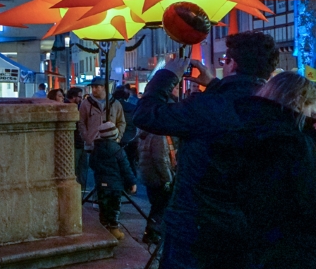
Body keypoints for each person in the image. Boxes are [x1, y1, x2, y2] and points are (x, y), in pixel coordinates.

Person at [133, 31, 279, 269]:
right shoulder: (276, 109)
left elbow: (147, 115)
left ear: (232, 63)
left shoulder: (206, 107)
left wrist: (165, 76)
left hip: (196, 225)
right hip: (250, 228)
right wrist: (215, 85)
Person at [211, 72, 316, 269]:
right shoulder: (295, 143)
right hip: (292, 247)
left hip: (245, 242)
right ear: (300, 102)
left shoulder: (242, 129)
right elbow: (308, 200)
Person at [90, 121, 136, 241]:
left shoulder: (96, 148)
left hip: (100, 183)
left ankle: (103, 228)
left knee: (103, 206)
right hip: (115, 185)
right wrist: (131, 182)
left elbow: (92, 164)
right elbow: (125, 167)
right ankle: (114, 229)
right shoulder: (118, 150)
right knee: (114, 207)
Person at [137, 123, 175, 245]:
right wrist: (168, 179)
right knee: (160, 206)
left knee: (156, 205)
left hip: (148, 175)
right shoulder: (158, 136)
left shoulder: (145, 134)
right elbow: (160, 159)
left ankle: (151, 232)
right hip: (157, 177)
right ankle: (153, 232)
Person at [78, 77, 126, 151]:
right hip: (92, 146)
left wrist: (118, 138)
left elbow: (121, 122)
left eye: (97, 87)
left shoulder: (115, 103)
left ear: (103, 87)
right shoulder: (86, 103)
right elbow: (81, 122)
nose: (93, 89)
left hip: (111, 145)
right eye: (92, 87)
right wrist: (87, 138)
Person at [112, 85, 139, 174]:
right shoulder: (133, 107)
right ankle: (132, 184)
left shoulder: (111, 107)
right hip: (131, 138)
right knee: (130, 162)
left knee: (116, 164)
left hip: (116, 138)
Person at [66, 87, 87, 188]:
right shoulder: (69, 108)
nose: (81, 99)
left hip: (80, 142)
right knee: (76, 166)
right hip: (75, 142)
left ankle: (81, 186)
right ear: (73, 97)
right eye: (79, 97)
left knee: (81, 166)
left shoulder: (78, 107)